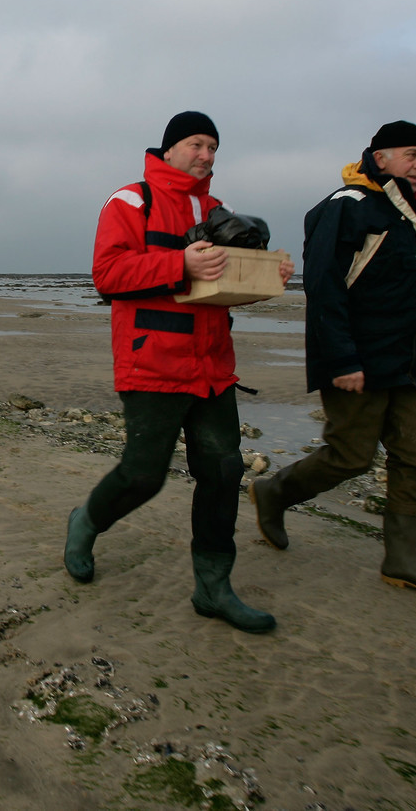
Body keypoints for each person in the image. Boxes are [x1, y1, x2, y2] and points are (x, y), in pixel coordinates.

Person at [63, 111, 295, 633]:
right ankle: (86, 522)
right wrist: (179, 264)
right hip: (152, 362)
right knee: (143, 476)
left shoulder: (218, 210)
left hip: (213, 368)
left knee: (223, 474)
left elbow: (227, 287)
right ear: (168, 149)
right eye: (196, 144)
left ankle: (213, 588)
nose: (206, 156)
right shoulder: (131, 200)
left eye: (213, 147)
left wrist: (268, 277)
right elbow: (107, 275)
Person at [249, 120, 416, 601]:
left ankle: (404, 560)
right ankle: (274, 492)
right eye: (411, 154)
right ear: (380, 157)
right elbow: (323, 288)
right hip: (357, 359)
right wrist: (342, 359)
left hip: (408, 363)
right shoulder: (346, 206)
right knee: (351, 456)